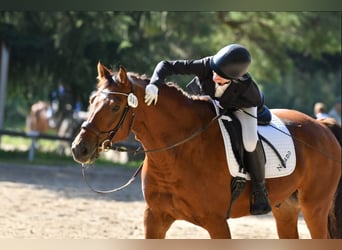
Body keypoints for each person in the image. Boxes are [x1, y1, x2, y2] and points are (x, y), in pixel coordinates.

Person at [144, 43, 272, 215]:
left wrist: (227, 108)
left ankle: (259, 189)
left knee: (249, 142)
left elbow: (258, 106)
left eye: (220, 77)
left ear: (234, 79)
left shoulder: (248, 89)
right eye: (214, 72)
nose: (214, 77)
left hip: (240, 108)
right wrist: (155, 83)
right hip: (205, 101)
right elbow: (166, 65)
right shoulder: (206, 65)